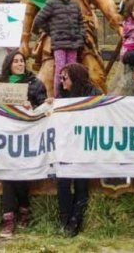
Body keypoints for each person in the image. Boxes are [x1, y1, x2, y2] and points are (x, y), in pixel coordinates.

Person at [0, 50, 49, 239]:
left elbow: (43, 108)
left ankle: (23, 208)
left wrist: (32, 108)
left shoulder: (34, 84)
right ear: (9, 64)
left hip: (26, 135)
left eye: (22, 61)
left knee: (18, 173)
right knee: (8, 174)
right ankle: (10, 217)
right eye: (16, 61)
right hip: (5, 136)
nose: (20, 64)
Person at [56, 63, 102, 237]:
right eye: (60, 78)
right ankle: (64, 219)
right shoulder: (62, 95)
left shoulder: (94, 93)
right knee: (63, 183)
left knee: (82, 184)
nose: (62, 82)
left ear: (75, 78)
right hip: (67, 145)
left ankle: (76, 221)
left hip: (85, 145)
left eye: (65, 78)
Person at [32, 0, 84, 97]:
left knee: (72, 71)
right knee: (60, 70)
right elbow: (39, 19)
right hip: (59, 44)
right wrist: (52, 31)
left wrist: (80, 36)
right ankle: (58, 96)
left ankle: (72, 95)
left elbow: (80, 22)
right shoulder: (51, 3)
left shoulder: (74, 3)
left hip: (74, 43)